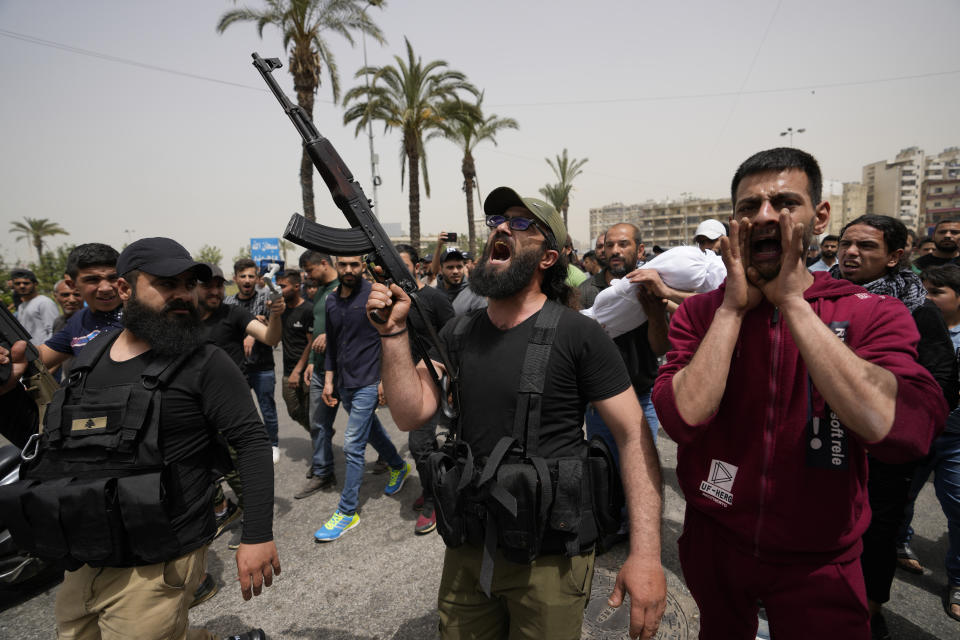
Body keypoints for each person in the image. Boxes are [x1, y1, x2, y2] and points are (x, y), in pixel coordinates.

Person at [652, 148, 947, 640]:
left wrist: (792, 301)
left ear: (820, 216)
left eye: (785, 202)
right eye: (749, 208)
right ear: (734, 224)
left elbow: (902, 431)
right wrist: (730, 312)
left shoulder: (871, 311)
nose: (765, 216)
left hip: (822, 556)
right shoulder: (701, 313)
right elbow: (681, 419)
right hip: (716, 543)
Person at [369, 187, 666, 640]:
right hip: (469, 544)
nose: (503, 227)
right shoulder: (459, 329)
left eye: (521, 222)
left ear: (547, 258)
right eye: (499, 221)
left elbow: (633, 438)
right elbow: (412, 415)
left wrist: (645, 556)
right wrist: (392, 336)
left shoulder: (579, 335)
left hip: (549, 558)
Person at [0, 237, 278, 640]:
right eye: (167, 284)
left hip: (162, 551)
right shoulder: (91, 355)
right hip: (89, 546)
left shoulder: (206, 361)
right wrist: (9, 396)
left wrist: (257, 535)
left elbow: (251, 441)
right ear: (126, 289)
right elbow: (51, 440)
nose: (183, 295)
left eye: (188, 284)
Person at [832, 214, 957, 636]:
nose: (851, 253)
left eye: (866, 246)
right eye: (847, 243)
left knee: (877, 526)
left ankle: (866, 610)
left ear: (895, 256)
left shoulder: (918, 309)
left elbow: (939, 381)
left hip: (883, 446)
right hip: (825, 438)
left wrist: (892, 424)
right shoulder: (818, 297)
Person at [312, 255, 410, 542]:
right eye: (343, 265)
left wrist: (383, 379)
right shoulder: (331, 300)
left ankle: (347, 511)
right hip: (344, 382)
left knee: (353, 443)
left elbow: (388, 338)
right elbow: (331, 342)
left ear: (362, 266)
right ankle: (398, 465)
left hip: (369, 380)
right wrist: (329, 380)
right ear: (336, 266)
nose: (349, 270)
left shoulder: (376, 295)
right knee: (372, 432)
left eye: (354, 264)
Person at [197, 263, 284, 534]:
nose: (214, 290)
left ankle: (254, 522)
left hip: (230, 403)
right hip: (196, 405)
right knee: (204, 463)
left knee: (241, 461)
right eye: (207, 285)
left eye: (218, 285)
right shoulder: (182, 318)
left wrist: (276, 315)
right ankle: (224, 508)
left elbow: (270, 338)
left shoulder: (233, 313)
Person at [897, 263, 960, 623]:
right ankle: (899, 541)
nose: (927, 298)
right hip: (917, 433)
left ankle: (958, 579)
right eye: (925, 290)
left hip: (954, 438)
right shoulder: (909, 326)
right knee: (900, 497)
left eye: (937, 293)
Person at [579, 223, 667, 444]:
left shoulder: (652, 287)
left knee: (642, 475)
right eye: (610, 245)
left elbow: (661, 348)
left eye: (623, 244)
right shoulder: (586, 291)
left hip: (643, 399)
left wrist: (654, 314)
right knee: (603, 473)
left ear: (639, 250)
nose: (615, 250)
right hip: (599, 404)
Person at [394, 243, 455, 535]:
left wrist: (442, 370)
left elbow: (455, 336)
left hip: (438, 381)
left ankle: (437, 497)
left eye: (401, 264)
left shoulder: (434, 298)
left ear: (417, 266)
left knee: (432, 444)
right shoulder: (392, 303)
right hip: (409, 384)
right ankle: (432, 490)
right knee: (420, 447)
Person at [225, 258, 282, 464]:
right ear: (235, 279)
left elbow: (273, 326)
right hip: (237, 368)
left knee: (267, 408)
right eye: (243, 276)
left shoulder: (266, 297)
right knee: (240, 411)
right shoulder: (228, 303)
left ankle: (273, 444)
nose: (247, 280)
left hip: (263, 366)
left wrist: (264, 321)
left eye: (251, 276)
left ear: (257, 278)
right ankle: (246, 447)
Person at [298, 251, 341, 499]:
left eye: (310, 270)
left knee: (366, 425)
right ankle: (323, 470)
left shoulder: (343, 289)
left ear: (324, 263)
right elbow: (317, 330)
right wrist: (312, 361)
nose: (307, 276)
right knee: (318, 422)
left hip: (344, 369)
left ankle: (391, 461)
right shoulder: (320, 291)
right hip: (321, 369)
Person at [40, 243, 124, 370]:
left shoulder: (145, 313)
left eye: (113, 278)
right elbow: (40, 357)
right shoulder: (78, 321)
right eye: (93, 280)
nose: (105, 288)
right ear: (72, 285)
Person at [276, 269, 313, 433]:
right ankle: (319, 432)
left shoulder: (308, 310)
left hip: (305, 371)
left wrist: (298, 371)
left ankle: (320, 447)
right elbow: (274, 337)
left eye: (283, 286)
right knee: (294, 411)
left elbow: (311, 343)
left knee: (311, 412)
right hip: (287, 370)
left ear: (297, 286)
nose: (278, 290)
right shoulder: (281, 310)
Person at [10, 268, 60, 345]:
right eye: (18, 283)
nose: (22, 286)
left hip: (45, 352)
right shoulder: (21, 306)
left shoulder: (44, 302)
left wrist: (46, 350)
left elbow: (55, 330)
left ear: (35, 284)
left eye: (26, 283)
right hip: (32, 353)